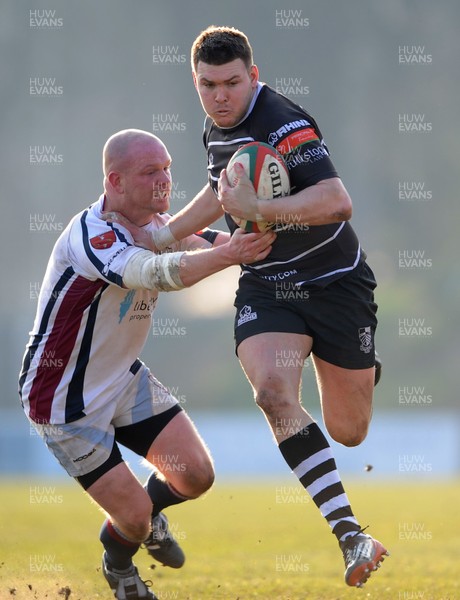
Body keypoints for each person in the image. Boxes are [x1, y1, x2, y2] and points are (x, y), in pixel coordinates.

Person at [135, 26, 389, 588]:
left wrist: (263, 210)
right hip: (267, 285)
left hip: (335, 283)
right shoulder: (215, 126)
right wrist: (167, 233)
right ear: (196, 84)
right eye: (207, 85)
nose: (220, 96)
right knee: (272, 393)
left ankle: (363, 366)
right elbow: (218, 189)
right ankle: (351, 535)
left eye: (231, 83)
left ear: (254, 76)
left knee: (349, 432)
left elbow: (337, 202)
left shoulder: (284, 122)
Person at [18, 128, 275, 600]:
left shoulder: (157, 224)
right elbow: (155, 272)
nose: (164, 181)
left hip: (120, 377)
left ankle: (146, 521)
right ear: (114, 181)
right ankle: (119, 564)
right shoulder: (92, 236)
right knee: (131, 517)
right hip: (61, 397)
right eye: (149, 172)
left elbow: (197, 241)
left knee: (196, 475)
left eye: (167, 169)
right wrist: (229, 254)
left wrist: (258, 242)